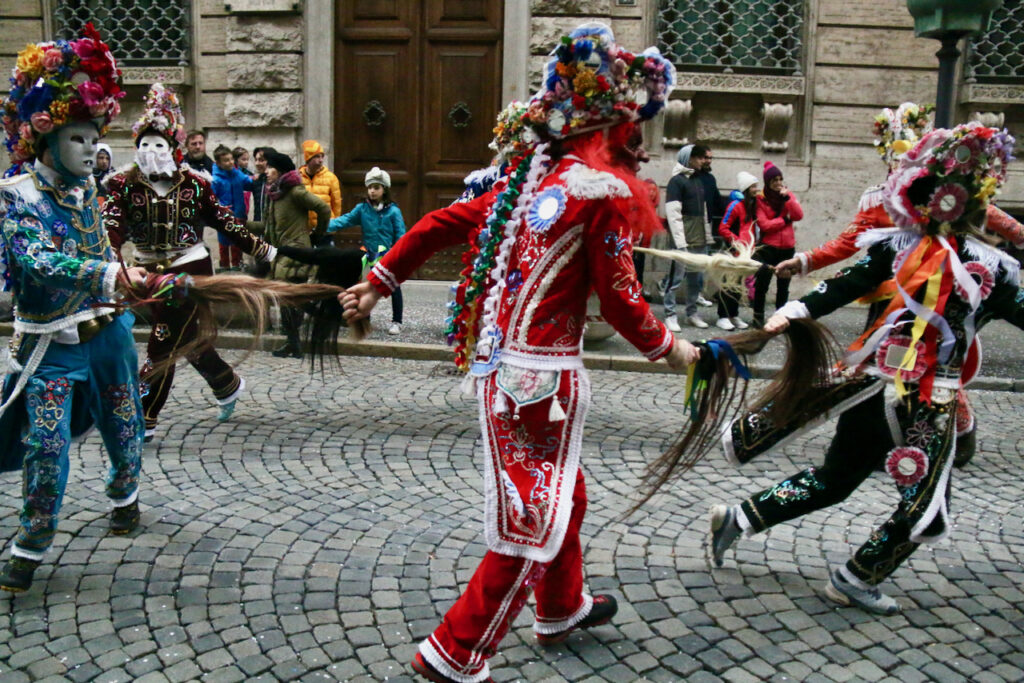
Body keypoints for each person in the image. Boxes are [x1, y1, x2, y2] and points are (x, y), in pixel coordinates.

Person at [341, 23, 696, 683]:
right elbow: (621, 299)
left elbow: (435, 223)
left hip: (503, 372)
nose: (641, 149)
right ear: (609, 128)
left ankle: (562, 607)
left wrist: (380, 279)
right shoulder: (599, 194)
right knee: (534, 517)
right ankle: (454, 650)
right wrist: (675, 348)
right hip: (545, 384)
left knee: (567, 492)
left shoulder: (527, 183)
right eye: (633, 133)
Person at [708, 122, 1020, 616]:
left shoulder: (907, 248)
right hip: (925, 399)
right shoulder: (992, 268)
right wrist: (791, 311)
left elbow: (840, 287)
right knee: (927, 508)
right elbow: (843, 283)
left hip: (871, 385)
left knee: (837, 477)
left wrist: (790, 314)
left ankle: (742, 517)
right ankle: (858, 575)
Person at [773, 103, 1024, 467]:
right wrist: (804, 262)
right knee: (874, 364)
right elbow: (850, 244)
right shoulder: (879, 199)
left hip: (939, 300)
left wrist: (1017, 234)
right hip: (890, 305)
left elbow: (987, 214)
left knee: (931, 366)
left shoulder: (959, 216)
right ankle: (859, 441)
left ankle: (953, 431)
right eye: (896, 158)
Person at [0, 26, 148, 592]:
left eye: (94, 138)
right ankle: (31, 543)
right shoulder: (19, 198)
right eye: (78, 139)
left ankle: (125, 495)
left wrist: (134, 288)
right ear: (44, 138)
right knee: (45, 445)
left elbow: (103, 250)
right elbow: (37, 261)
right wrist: (108, 272)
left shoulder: (93, 191)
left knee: (124, 418)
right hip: (51, 344)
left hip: (109, 331)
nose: (91, 149)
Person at [103, 84, 276, 442]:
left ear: (173, 148)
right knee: (188, 338)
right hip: (147, 272)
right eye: (144, 144)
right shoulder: (122, 186)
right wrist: (107, 265)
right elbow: (111, 229)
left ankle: (142, 418)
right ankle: (226, 383)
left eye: (159, 144)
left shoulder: (195, 186)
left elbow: (224, 220)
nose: (150, 151)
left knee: (163, 341)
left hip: (190, 268)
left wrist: (263, 249)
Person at [251, 150, 331, 358]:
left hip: (296, 254)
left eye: (270, 168)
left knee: (289, 298)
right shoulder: (275, 195)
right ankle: (296, 341)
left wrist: (317, 235)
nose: (266, 172)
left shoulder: (295, 192)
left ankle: (307, 331)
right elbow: (268, 229)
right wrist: (238, 224)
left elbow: (323, 208)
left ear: (280, 171)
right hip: (282, 255)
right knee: (291, 300)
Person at [327, 167, 406, 334]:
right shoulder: (362, 209)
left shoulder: (393, 211)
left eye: (376, 187)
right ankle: (364, 318)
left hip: (388, 254)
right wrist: (323, 226)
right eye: (370, 187)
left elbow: (401, 235)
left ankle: (397, 321)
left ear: (384, 189)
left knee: (393, 287)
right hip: (369, 253)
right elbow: (345, 220)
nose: (372, 191)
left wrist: (399, 253)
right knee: (364, 285)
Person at [661, 144, 711, 330]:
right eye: (698, 157)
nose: (702, 161)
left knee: (696, 279)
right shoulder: (677, 181)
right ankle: (670, 314)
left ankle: (692, 313)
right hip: (682, 239)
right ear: (688, 159)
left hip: (698, 238)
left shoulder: (698, 181)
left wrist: (706, 236)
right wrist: (680, 242)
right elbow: (673, 213)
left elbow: (703, 212)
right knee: (675, 278)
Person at [750, 161, 802, 327]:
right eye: (774, 180)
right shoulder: (760, 200)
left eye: (780, 179)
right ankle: (758, 317)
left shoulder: (788, 195)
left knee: (783, 284)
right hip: (767, 247)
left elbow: (799, 215)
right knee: (762, 284)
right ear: (768, 182)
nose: (778, 183)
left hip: (787, 247)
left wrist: (787, 199)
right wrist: (785, 219)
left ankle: (780, 318)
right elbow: (764, 225)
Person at [713, 171, 759, 330]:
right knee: (728, 284)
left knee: (738, 285)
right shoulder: (735, 206)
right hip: (734, 252)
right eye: (753, 186)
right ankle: (722, 316)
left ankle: (733, 315)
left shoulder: (752, 206)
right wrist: (737, 242)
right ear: (746, 188)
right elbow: (723, 228)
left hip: (746, 253)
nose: (756, 189)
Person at [212, 144, 255, 271]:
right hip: (224, 215)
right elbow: (212, 198)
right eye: (226, 160)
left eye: (231, 159)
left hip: (239, 212)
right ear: (218, 163)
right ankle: (225, 264)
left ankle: (236, 263)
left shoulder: (237, 174)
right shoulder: (216, 179)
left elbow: (248, 183)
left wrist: (256, 180)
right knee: (224, 240)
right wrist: (219, 209)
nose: (230, 162)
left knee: (237, 239)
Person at [299, 139, 341, 245]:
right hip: (305, 231)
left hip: (325, 230)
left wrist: (333, 225)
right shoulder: (298, 178)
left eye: (322, 156)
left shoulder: (331, 178)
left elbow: (336, 204)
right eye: (317, 156)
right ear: (308, 158)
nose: (321, 160)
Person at [251, 146, 275, 223]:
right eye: (256, 160)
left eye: (261, 160)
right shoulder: (257, 181)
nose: (257, 163)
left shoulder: (281, 182)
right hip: (259, 228)